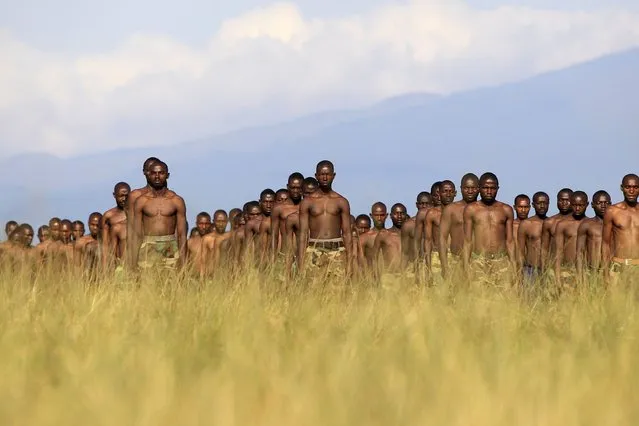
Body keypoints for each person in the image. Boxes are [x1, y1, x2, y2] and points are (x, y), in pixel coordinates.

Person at [296, 161, 352, 278]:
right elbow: (303, 234)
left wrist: (350, 263)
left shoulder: (341, 201)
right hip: (314, 250)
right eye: (321, 174)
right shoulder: (308, 202)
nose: (325, 177)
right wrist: (300, 264)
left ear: (333, 175)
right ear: (316, 176)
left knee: (338, 292)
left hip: (336, 251)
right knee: (312, 291)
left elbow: (347, 233)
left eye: (328, 174)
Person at [133, 161, 187, 270]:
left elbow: (182, 234)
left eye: (161, 173)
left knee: (171, 283)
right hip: (148, 244)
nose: (157, 176)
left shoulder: (176, 200)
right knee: (147, 282)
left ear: (167, 175)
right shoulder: (142, 201)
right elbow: (136, 235)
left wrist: (183, 261)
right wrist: (133, 262)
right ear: (148, 175)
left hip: (170, 244)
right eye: (154, 173)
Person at [463, 173, 515, 284]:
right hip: (478, 261)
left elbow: (510, 241)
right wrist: (466, 266)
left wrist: (514, 266)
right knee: (478, 298)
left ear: (497, 188)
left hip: (501, 261)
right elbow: (467, 241)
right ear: (479, 188)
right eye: (486, 188)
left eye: (492, 188)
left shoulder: (506, 210)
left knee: (502, 299)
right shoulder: (471, 209)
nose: (489, 191)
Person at [438, 173, 479, 278]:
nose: (470, 191)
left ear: (478, 188)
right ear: (461, 189)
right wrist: (444, 266)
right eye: (466, 188)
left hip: (479, 261)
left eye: (473, 188)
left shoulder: (483, 210)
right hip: (456, 260)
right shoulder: (451, 209)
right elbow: (442, 238)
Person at [125, 157, 160, 268]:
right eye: (150, 170)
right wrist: (132, 257)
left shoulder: (169, 196)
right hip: (144, 245)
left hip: (166, 244)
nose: (154, 173)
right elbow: (131, 228)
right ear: (145, 172)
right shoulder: (135, 196)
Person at [603, 174, 639, 282]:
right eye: (628, 187)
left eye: (635, 187)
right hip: (618, 266)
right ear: (622, 188)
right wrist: (605, 273)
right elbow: (605, 244)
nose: (631, 191)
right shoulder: (612, 211)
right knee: (616, 299)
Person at [554, 191, 589, 286]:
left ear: (587, 205)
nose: (577, 208)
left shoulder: (591, 224)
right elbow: (558, 252)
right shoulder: (562, 225)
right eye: (574, 205)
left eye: (580, 205)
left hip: (587, 270)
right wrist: (557, 277)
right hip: (567, 270)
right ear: (570, 204)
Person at [423, 180, 456, 278]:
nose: (448, 194)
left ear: (455, 193)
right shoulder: (432, 214)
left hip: (456, 255)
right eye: (445, 191)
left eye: (450, 191)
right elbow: (427, 240)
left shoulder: (460, 212)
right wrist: (428, 267)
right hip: (436, 256)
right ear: (440, 194)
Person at [576, 190, 611, 278]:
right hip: (592, 271)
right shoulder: (586, 225)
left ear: (610, 204)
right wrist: (580, 277)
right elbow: (580, 252)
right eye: (599, 203)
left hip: (612, 271)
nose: (603, 206)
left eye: (606, 203)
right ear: (592, 205)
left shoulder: (615, 225)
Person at [517, 191, 549, 280]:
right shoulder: (526, 224)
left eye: (545, 203)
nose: (542, 206)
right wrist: (520, 272)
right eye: (539, 203)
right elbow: (520, 251)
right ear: (533, 205)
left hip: (549, 269)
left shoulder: (553, 224)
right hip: (530, 270)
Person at [270, 173, 304, 256]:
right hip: (284, 255)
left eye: (298, 188)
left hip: (304, 255)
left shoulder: (307, 207)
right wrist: (273, 257)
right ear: (288, 187)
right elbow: (274, 236)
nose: (295, 191)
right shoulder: (279, 209)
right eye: (293, 188)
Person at [541, 188, 573, 271]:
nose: (564, 203)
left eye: (567, 200)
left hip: (575, 268)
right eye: (561, 200)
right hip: (553, 268)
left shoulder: (581, 223)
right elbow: (544, 249)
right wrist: (543, 269)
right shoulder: (550, 222)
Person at [372, 203, 407, 279]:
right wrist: (376, 277)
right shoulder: (383, 234)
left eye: (402, 213)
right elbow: (374, 258)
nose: (399, 216)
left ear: (406, 215)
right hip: (389, 276)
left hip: (407, 275)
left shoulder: (410, 235)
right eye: (396, 214)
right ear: (390, 216)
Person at [102, 182, 131, 270]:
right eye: (121, 196)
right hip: (119, 262)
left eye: (126, 196)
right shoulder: (108, 216)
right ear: (114, 195)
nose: (124, 199)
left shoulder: (136, 213)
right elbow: (105, 245)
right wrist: (105, 268)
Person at [401, 192, 432, 262]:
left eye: (427, 204)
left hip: (434, 264)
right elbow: (404, 253)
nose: (424, 206)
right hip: (416, 265)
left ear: (432, 204)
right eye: (421, 204)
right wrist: (403, 272)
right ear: (417, 205)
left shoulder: (437, 222)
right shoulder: (408, 225)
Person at [200, 210, 230, 276]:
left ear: (227, 221)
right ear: (214, 221)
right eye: (218, 221)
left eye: (223, 221)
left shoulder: (230, 237)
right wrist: (202, 278)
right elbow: (203, 260)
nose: (221, 224)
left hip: (226, 275)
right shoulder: (207, 239)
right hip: (210, 275)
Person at [360, 202, 387, 268]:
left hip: (389, 275)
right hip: (371, 275)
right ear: (371, 216)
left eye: (382, 215)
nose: (379, 218)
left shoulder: (391, 236)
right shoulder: (364, 238)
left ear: (386, 215)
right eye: (376, 215)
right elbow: (360, 261)